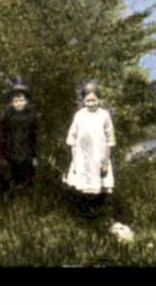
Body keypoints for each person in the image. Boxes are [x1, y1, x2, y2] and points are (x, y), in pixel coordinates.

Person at [64, 80, 115, 219]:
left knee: (98, 186)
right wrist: (74, 160)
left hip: (99, 156)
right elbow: (72, 138)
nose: (91, 104)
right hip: (82, 157)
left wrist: (105, 161)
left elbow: (110, 139)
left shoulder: (104, 115)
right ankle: (83, 215)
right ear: (83, 101)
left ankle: (98, 215)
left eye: (94, 100)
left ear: (99, 99)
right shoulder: (80, 115)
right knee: (82, 187)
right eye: (88, 101)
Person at [2, 83, 39, 190]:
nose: (19, 104)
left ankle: (26, 198)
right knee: (12, 176)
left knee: (27, 176)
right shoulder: (8, 115)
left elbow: (34, 137)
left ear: (27, 101)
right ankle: (13, 198)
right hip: (11, 151)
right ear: (12, 102)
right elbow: (3, 134)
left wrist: (34, 156)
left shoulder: (31, 115)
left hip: (26, 152)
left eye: (21, 100)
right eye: (16, 101)